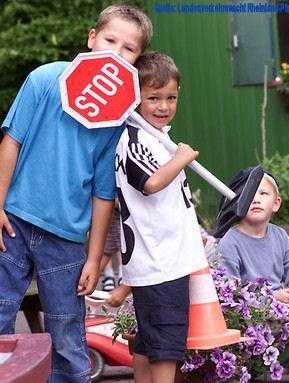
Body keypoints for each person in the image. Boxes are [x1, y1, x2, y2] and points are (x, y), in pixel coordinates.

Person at [0, 4, 152, 383]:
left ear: (136, 61)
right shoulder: (44, 79)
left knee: (67, 332)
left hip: (67, 239)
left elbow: (104, 192)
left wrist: (93, 256)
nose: (116, 52)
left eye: (128, 48)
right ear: (91, 37)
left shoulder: (117, 116)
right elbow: (11, 142)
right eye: (109, 40)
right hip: (13, 222)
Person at [112, 51, 207, 383]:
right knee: (166, 345)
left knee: (150, 341)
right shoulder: (134, 139)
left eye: (171, 97)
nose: (163, 106)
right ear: (134, 98)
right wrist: (180, 159)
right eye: (153, 98)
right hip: (159, 262)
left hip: (167, 260)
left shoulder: (157, 138)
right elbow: (150, 183)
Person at [218, 168, 289, 328]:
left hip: (282, 308)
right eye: (249, 194)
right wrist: (272, 298)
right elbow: (230, 294)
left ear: (276, 204)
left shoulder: (280, 236)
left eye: (263, 193)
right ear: (237, 203)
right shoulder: (230, 242)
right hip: (250, 318)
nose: (255, 199)